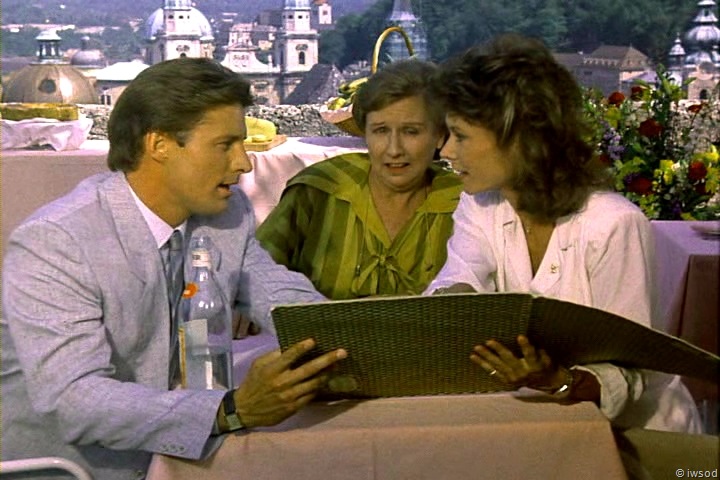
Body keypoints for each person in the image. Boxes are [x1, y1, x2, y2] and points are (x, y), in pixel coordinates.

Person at [1, 57, 347, 480]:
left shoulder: (227, 214)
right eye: (225, 144)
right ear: (159, 144)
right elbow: (76, 402)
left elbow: (282, 297)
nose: (244, 163)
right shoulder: (56, 241)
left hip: (169, 459)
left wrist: (360, 335)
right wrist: (232, 409)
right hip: (67, 470)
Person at [424, 34, 701, 433]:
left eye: (460, 136)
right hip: (547, 426)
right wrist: (451, 309)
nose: (446, 151)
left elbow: (629, 372)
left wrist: (559, 380)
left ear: (519, 136)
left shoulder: (612, 225)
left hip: (643, 437)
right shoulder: (479, 205)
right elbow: (459, 279)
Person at [256, 59, 462, 299]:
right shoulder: (321, 188)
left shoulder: (462, 204)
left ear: (439, 136)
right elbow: (256, 269)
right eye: (380, 131)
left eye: (411, 132)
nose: (394, 149)